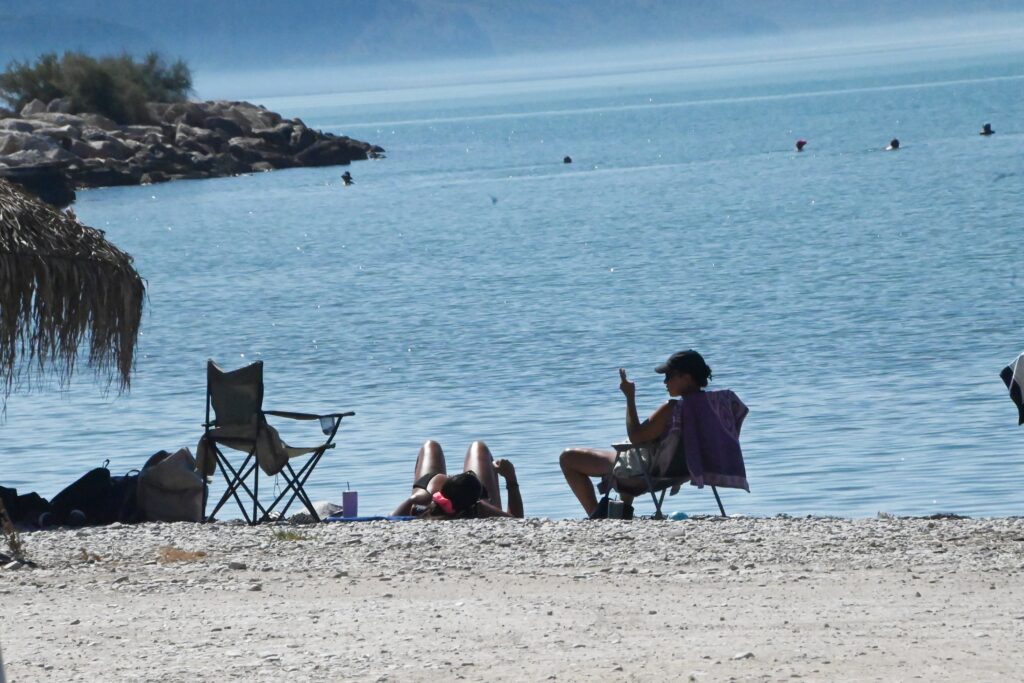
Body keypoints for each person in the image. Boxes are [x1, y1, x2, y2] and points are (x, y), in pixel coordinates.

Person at [559, 349, 713, 517]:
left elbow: (636, 436)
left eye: (669, 376)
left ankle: (596, 516)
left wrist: (630, 397)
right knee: (633, 454)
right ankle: (619, 512)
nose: (665, 382)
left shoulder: (672, 409)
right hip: (685, 471)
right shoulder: (714, 406)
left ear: (687, 377)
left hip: (650, 473)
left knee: (568, 458)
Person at [392, 440, 523, 518]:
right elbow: (515, 521)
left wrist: (411, 500)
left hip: (429, 487)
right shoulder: (482, 508)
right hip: (463, 492)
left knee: (430, 445)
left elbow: (392, 519)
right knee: (478, 446)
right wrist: (511, 479)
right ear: (476, 502)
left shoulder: (420, 504)